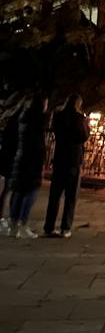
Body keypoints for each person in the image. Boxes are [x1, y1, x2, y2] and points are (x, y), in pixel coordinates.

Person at [44, 95, 90, 238]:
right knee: (70, 196)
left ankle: (49, 226)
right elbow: (83, 136)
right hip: (73, 159)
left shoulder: (58, 116)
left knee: (55, 195)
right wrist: (87, 125)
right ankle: (66, 227)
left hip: (59, 158)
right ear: (78, 104)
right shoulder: (79, 118)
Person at [8, 96, 48, 239]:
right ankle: (22, 223)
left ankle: (14, 223)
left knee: (19, 191)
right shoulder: (37, 122)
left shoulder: (23, 119)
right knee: (31, 192)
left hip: (22, 159)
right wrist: (41, 162)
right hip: (32, 162)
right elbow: (38, 145)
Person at [0, 102, 24, 234]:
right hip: (13, 160)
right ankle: (12, 218)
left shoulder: (12, 122)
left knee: (8, 190)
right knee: (11, 189)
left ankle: (9, 217)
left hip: (8, 159)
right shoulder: (18, 124)